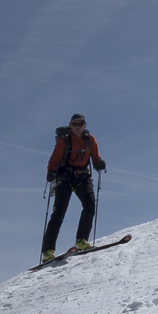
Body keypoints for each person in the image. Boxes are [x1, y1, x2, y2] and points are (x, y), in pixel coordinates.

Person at [42, 113, 106, 263]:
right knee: (59, 214)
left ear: (84, 125)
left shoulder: (90, 140)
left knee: (90, 206)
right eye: (75, 124)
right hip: (64, 179)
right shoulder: (64, 141)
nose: (77, 126)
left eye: (80, 124)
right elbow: (54, 159)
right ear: (70, 126)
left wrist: (99, 163)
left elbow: (95, 157)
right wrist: (51, 172)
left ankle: (81, 240)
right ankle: (48, 251)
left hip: (82, 178)